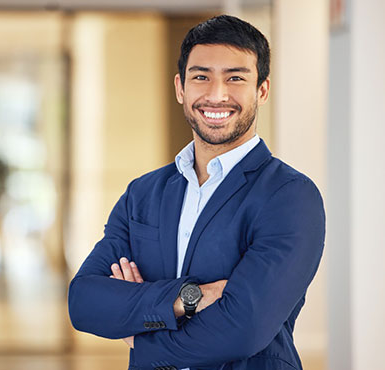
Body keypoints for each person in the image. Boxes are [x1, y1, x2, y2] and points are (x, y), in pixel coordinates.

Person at [68, 14, 325, 370]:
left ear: (262, 90)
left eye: (235, 78)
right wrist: (190, 297)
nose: (216, 95)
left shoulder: (290, 196)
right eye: (201, 77)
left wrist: (139, 330)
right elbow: (84, 302)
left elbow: (243, 329)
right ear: (180, 88)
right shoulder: (143, 194)